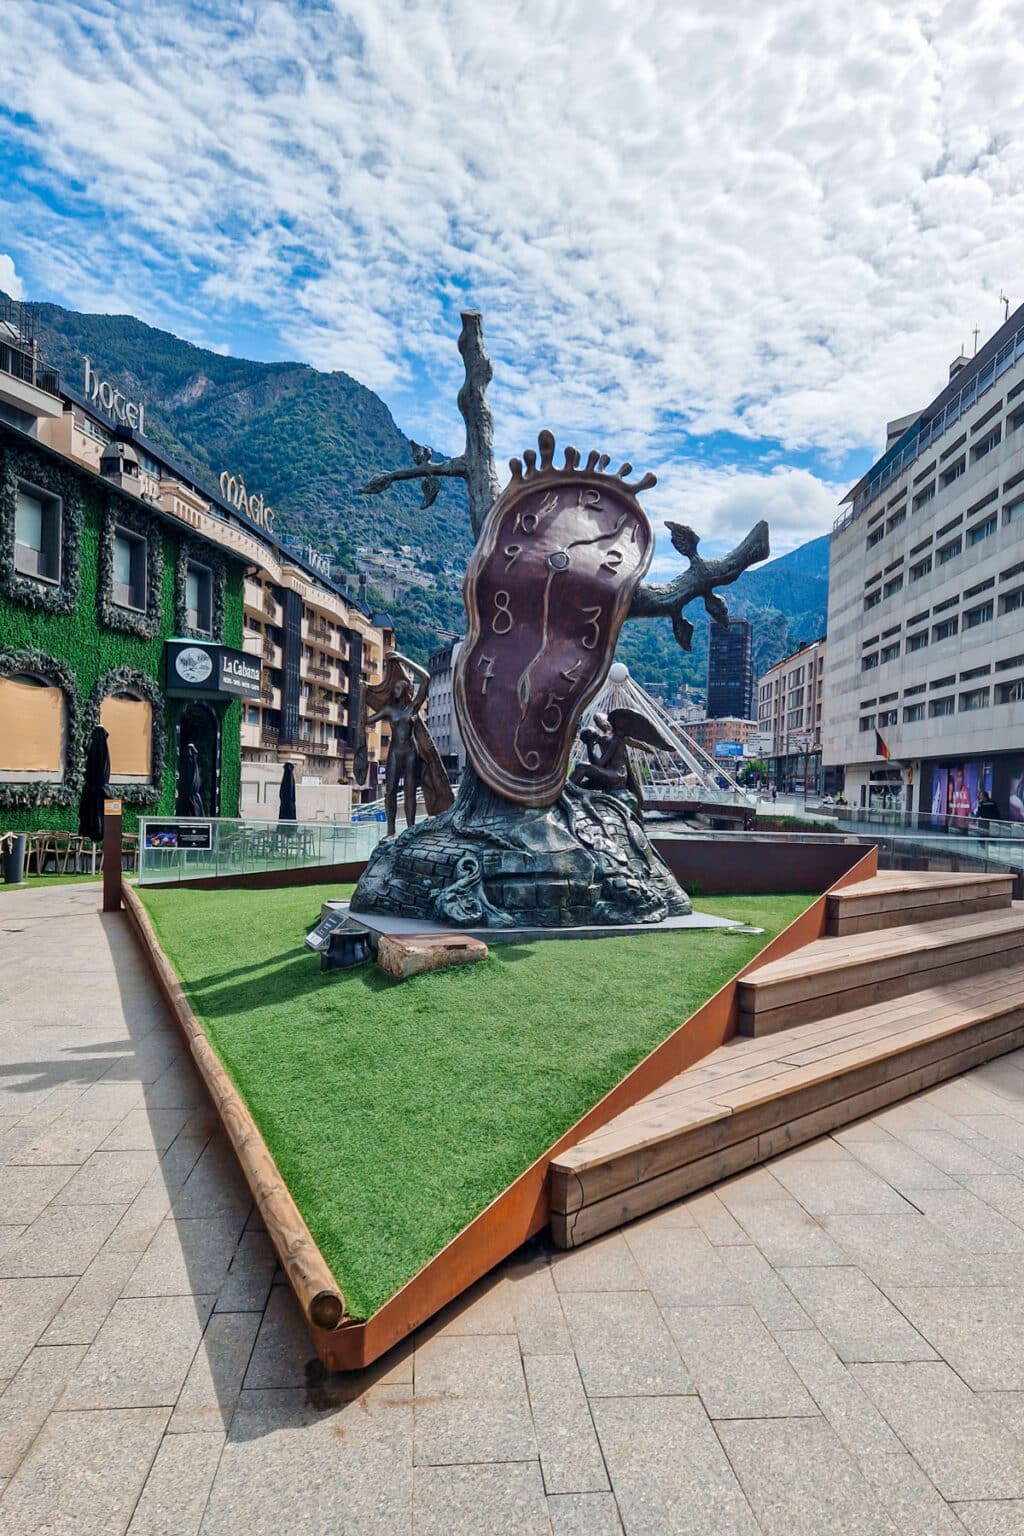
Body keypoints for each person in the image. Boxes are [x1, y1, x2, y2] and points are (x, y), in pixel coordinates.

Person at [363, 652, 453, 838]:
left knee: (410, 792)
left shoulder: (413, 707)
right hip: (394, 753)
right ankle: (390, 831)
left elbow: (426, 678)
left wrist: (403, 659)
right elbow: (367, 720)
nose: (395, 691)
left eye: (398, 688)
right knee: (390, 792)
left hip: (411, 753)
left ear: (405, 690)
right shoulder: (389, 709)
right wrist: (362, 693)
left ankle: (410, 829)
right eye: (394, 688)